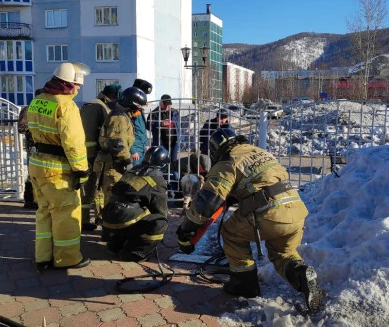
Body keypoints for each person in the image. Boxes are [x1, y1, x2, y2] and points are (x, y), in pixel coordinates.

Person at [176, 128, 322, 312]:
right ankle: (301, 273)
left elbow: (207, 202)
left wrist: (187, 226)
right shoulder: (259, 152)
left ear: (216, 150)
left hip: (269, 213)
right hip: (296, 211)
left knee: (230, 231)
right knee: (283, 253)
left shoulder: (227, 161)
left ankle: (245, 284)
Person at [27, 62, 91, 271]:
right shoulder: (66, 105)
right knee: (65, 214)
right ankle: (68, 258)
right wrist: (81, 169)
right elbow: (73, 142)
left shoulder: (37, 101)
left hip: (37, 165)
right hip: (58, 170)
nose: (79, 88)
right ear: (67, 84)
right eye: (76, 84)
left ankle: (43, 257)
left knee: (44, 212)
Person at [93, 86, 147, 241]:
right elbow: (118, 144)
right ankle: (110, 232)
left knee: (113, 198)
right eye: (137, 108)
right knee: (112, 199)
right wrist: (127, 162)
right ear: (130, 104)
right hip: (113, 166)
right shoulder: (120, 119)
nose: (138, 112)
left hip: (114, 164)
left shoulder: (122, 116)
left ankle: (110, 229)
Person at [101, 146, 169, 262]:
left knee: (134, 213)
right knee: (160, 222)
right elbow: (160, 207)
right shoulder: (157, 178)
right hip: (124, 218)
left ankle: (114, 245)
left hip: (108, 216)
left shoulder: (133, 170)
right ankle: (135, 253)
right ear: (163, 164)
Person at [79, 84, 121, 231]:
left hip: (86, 154)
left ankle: (90, 218)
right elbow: (94, 134)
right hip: (91, 155)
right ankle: (86, 220)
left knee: (91, 189)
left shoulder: (92, 105)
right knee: (91, 188)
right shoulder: (99, 107)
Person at [17, 90, 42, 210]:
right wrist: (34, 130)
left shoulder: (43, 110)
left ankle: (39, 199)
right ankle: (29, 199)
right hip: (33, 146)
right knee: (33, 173)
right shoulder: (28, 110)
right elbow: (21, 128)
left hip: (43, 146)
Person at [147, 94, 180, 164]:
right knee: (162, 163)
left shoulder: (175, 112)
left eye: (168, 105)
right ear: (161, 102)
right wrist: (160, 124)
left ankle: (173, 174)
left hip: (174, 143)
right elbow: (148, 126)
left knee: (174, 164)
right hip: (161, 144)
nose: (167, 107)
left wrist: (180, 139)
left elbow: (179, 127)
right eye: (165, 104)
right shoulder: (154, 113)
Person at [129, 79, 152, 166]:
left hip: (142, 149)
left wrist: (146, 144)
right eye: (144, 94)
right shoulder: (128, 109)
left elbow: (141, 130)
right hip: (135, 151)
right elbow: (126, 133)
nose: (145, 97)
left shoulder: (138, 109)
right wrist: (133, 150)